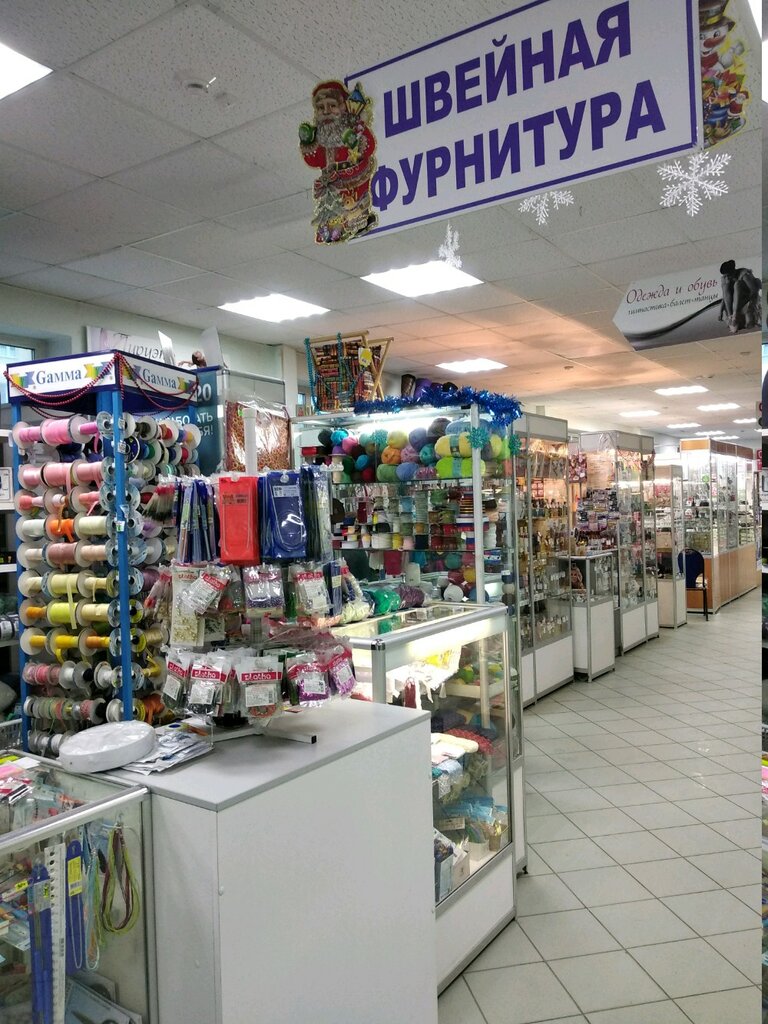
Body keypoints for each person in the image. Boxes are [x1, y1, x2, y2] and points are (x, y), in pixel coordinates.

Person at [299, 80, 377, 243]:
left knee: (356, 208)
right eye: (321, 107)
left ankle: (360, 222)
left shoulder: (355, 128)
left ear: (343, 107)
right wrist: (307, 143)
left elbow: (368, 148)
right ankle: (335, 231)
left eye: (332, 105)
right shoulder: (321, 137)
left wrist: (357, 137)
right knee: (335, 211)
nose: (326, 111)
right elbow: (314, 160)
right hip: (333, 185)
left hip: (355, 178)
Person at [719, 260, 762, 333]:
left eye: (728, 275)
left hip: (747, 296)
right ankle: (730, 316)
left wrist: (747, 306)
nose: (727, 278)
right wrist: (720, 311)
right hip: (735, 300)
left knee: (737, 284)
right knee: (726, 285)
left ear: (733, 271)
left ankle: (735, 316)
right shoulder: (725, 278)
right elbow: (725, 296)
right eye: (725, 276)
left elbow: (754, 291)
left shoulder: (744, 274)